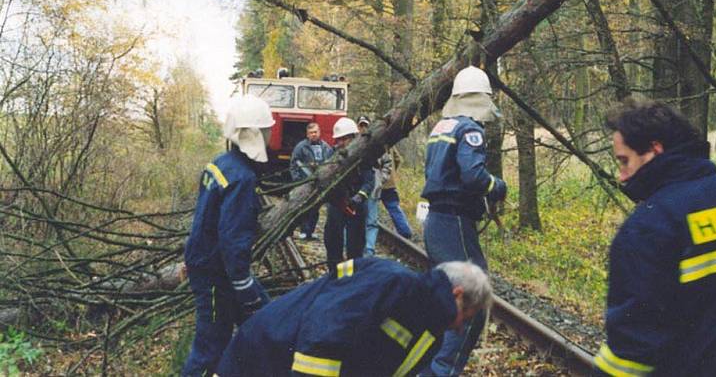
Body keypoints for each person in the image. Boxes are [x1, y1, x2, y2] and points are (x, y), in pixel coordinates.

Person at [594, 99, 716, 376]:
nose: (621, 176)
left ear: (655, 150)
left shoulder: (649, 228)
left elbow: (631, 351)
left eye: (624, 161)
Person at [214, 258, 492, 377]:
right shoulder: (392, 283)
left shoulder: (430, 336)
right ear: (457, 294)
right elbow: (322, 336)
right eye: (466, 317)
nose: (460, 327)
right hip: (262, 356)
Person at [420, 65, 507, 376]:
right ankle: (442, 370)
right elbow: (472, 176)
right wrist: (497, 187)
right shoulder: (470, 130)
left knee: (444, 298)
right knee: (473, 299)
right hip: (455, 220)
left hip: (436, 221)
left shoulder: (439, 128)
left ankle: (427, 365)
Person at [182, 94, 275, 377]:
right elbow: (233, 239)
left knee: (268, 319)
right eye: (268, 129)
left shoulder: (220, 163)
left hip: (210, 265)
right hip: (215, 274)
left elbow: (203, 217)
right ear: (255, 135)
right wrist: (244, 287)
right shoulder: (242, 178)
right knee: (210, 346)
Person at [357, 115, 413, 257]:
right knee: (389, 208)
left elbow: (393, 160)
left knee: (382, 213)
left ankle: (405, 232)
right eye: (361, 125)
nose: (363, 128)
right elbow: (397, 159)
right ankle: (405, 232)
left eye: (365, 125)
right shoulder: (357, 144)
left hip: (382, 185)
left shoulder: (380, 143)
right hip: (373, 185)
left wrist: (384, 178)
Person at [323, 117, 373, 273]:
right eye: (339, 139)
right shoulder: (331, 155)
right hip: (337, 204)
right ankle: (335, 274)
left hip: (356, 205)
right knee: (333, 241)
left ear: (353, 137)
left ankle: (352, 277)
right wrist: (338, 199)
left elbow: (369, 181)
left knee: (355, 245)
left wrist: (359, 197)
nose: (341, 143)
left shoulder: (363, 155)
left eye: (344, 139)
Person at [290, 122, 334, 240]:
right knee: (304, 207)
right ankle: (304, 230)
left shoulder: (326, 147)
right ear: (307, 134)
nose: (313, 134)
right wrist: (297, 181)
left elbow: (331, 163)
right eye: (311, 133)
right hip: (305, 182)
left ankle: (311, 231)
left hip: (320, 183)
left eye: (315, 132)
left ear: (319, 132)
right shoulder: (300, 147)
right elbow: (294, 164)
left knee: (315, 207)